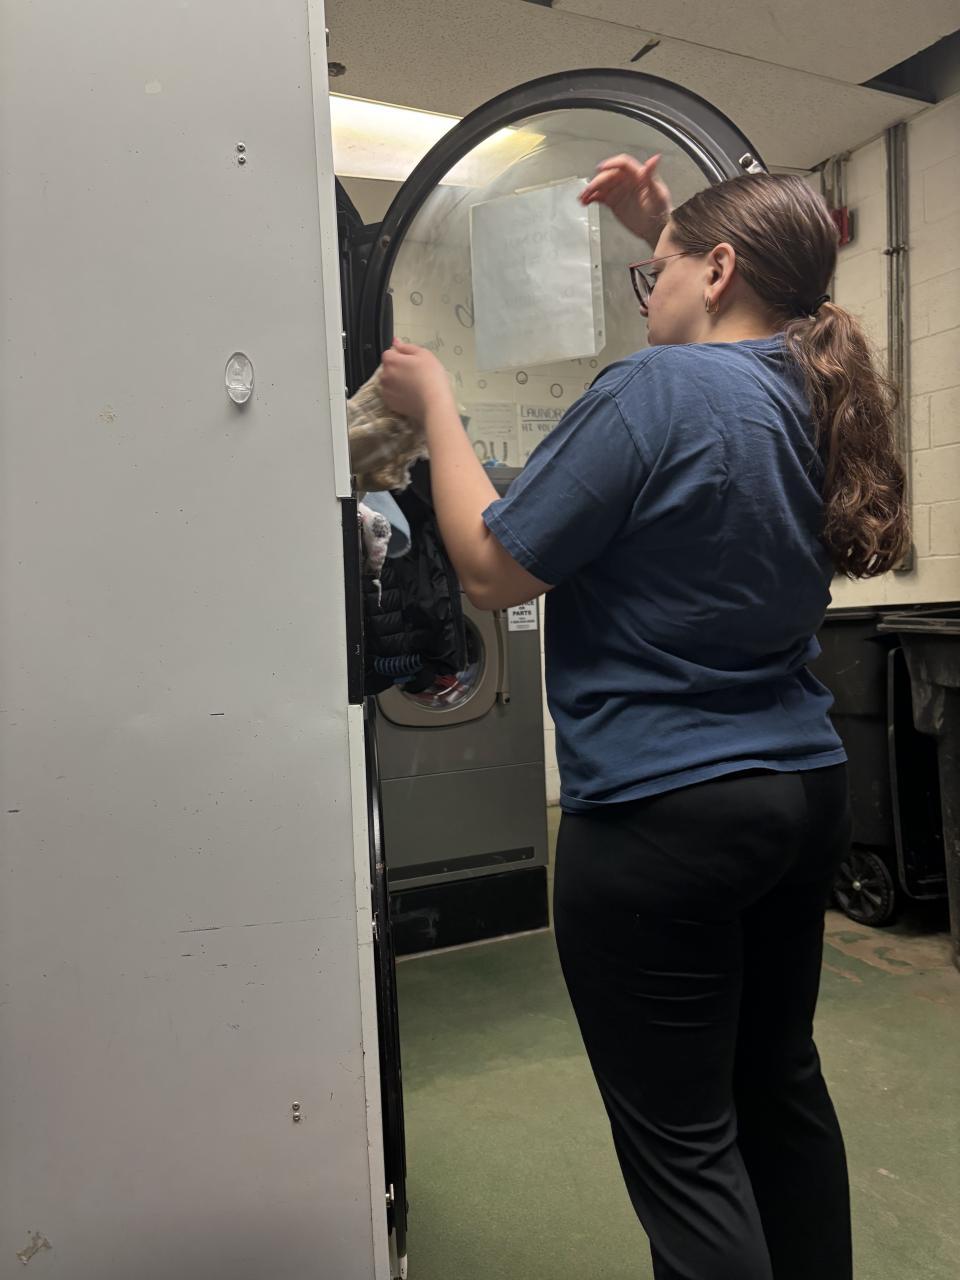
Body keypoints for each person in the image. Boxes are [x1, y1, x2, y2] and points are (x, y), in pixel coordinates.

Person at [379, 154, 909, 1280]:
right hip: (800, 791)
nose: (644, 291)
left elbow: (490, 568)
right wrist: (667, 230)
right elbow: (722, 372)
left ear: (716, 271)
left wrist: (437, 411)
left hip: (665, 814)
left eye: (651, 272)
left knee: (686, 1148)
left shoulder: (653, 392)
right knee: (779, 1090)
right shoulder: (810, 392)